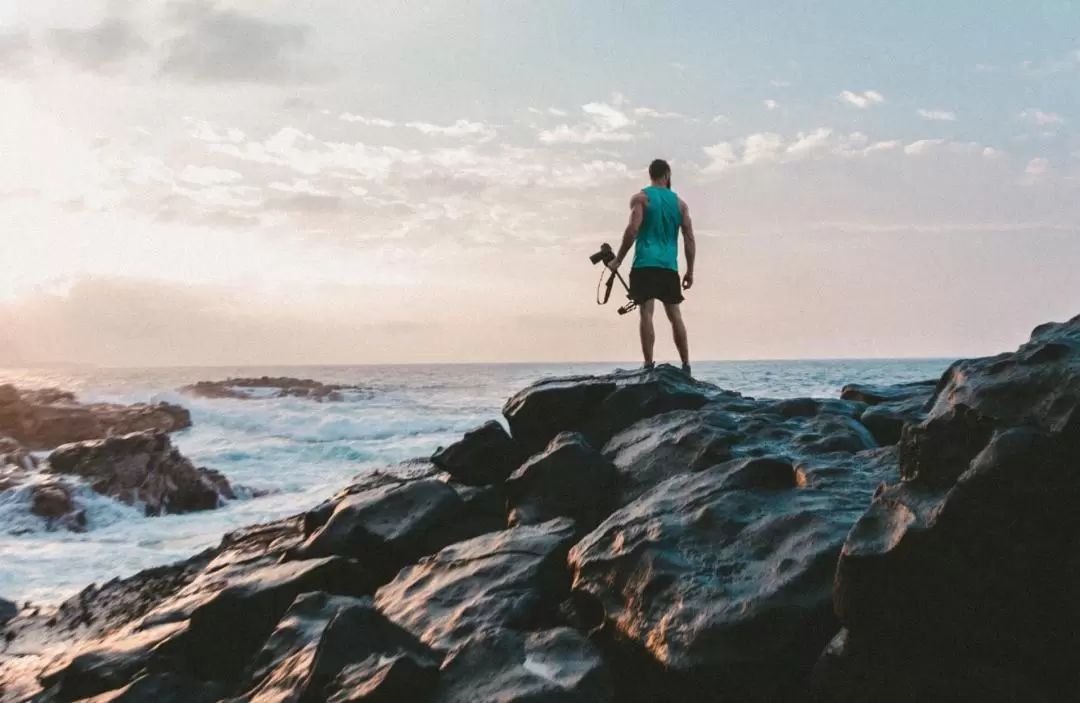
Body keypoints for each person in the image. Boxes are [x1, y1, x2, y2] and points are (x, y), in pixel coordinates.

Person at [607, 159, 696, 375]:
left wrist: (618, 259)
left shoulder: (641, 198)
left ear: (651, 175)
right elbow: (689, 238)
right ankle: (686, 366)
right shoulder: (680, 205)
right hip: (668, 267)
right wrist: (690, 271)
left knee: (646, 313)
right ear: (667, 175)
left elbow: (632, 230)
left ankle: (648, 365)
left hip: (644, 264)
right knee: (675, 315)